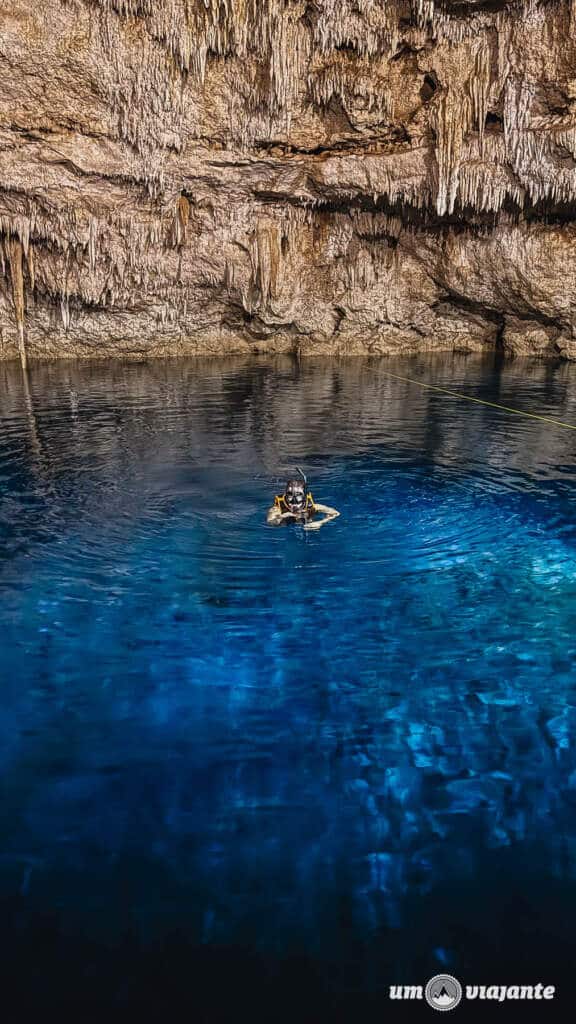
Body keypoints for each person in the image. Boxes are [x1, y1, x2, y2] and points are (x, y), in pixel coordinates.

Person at [266, 476, 340, 531]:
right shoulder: (277, 509)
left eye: (298, 495)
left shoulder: (313, 507)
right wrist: (281, 517)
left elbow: (336, 513)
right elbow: (270, 522)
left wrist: (320, 522)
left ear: (304, 496)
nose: (294, 503)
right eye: (290, 494)